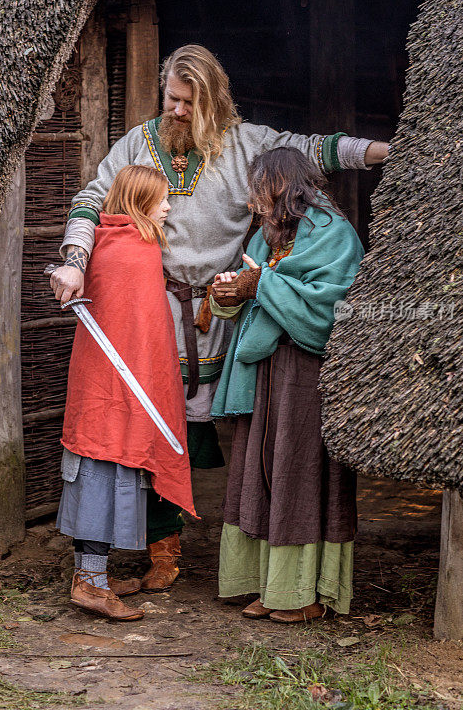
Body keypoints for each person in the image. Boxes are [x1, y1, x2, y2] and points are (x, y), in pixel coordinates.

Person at [50, 44, 388, 589]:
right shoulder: (139, 143)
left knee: (241, 430)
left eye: (188, 102)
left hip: (222, 314)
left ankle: (257, 556)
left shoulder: (246, 143)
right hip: (151, 314)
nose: (176, 110)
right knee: (154, 427)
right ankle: (163, 554)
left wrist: (384, 153)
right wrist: (74, 259)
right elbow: (94, 200)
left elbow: (315, 151)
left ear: (213, 101)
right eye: (170, 97)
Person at [210, 147, 363, 623]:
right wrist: (229, 295)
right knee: (260, 471)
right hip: (265, 376)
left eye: (260, 189)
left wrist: (260, 287)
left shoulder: (334, 235)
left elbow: (331, 308)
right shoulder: (265, 237)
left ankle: (305, 593)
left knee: (301, 475)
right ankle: (268, 583)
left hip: (308, 375)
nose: (254, 201)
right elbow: (253, 290)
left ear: (283, 187)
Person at [57, 164, 196, 620]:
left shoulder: (121, 240)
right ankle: (91, 583)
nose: (169, 206)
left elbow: (145, 325)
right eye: (161, 199)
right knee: (101, 469)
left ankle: (92, 574)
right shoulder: (128, 249)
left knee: (105, 467)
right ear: (139, 201)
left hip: (116, 384)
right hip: (112, 387)